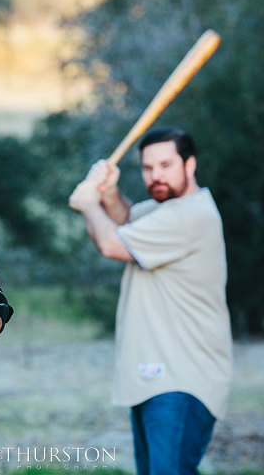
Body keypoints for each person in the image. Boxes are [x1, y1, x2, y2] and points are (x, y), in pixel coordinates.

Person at [68, 128, 233, 475]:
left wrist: (88, 204)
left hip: (181, 381)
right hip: (160, 378)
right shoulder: (169, 211)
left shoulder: (189, 216)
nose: (156, 175)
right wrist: (110, 193)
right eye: (147, 167)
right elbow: (127, 219)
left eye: (166, 165)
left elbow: (113, 244)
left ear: (190, 165)